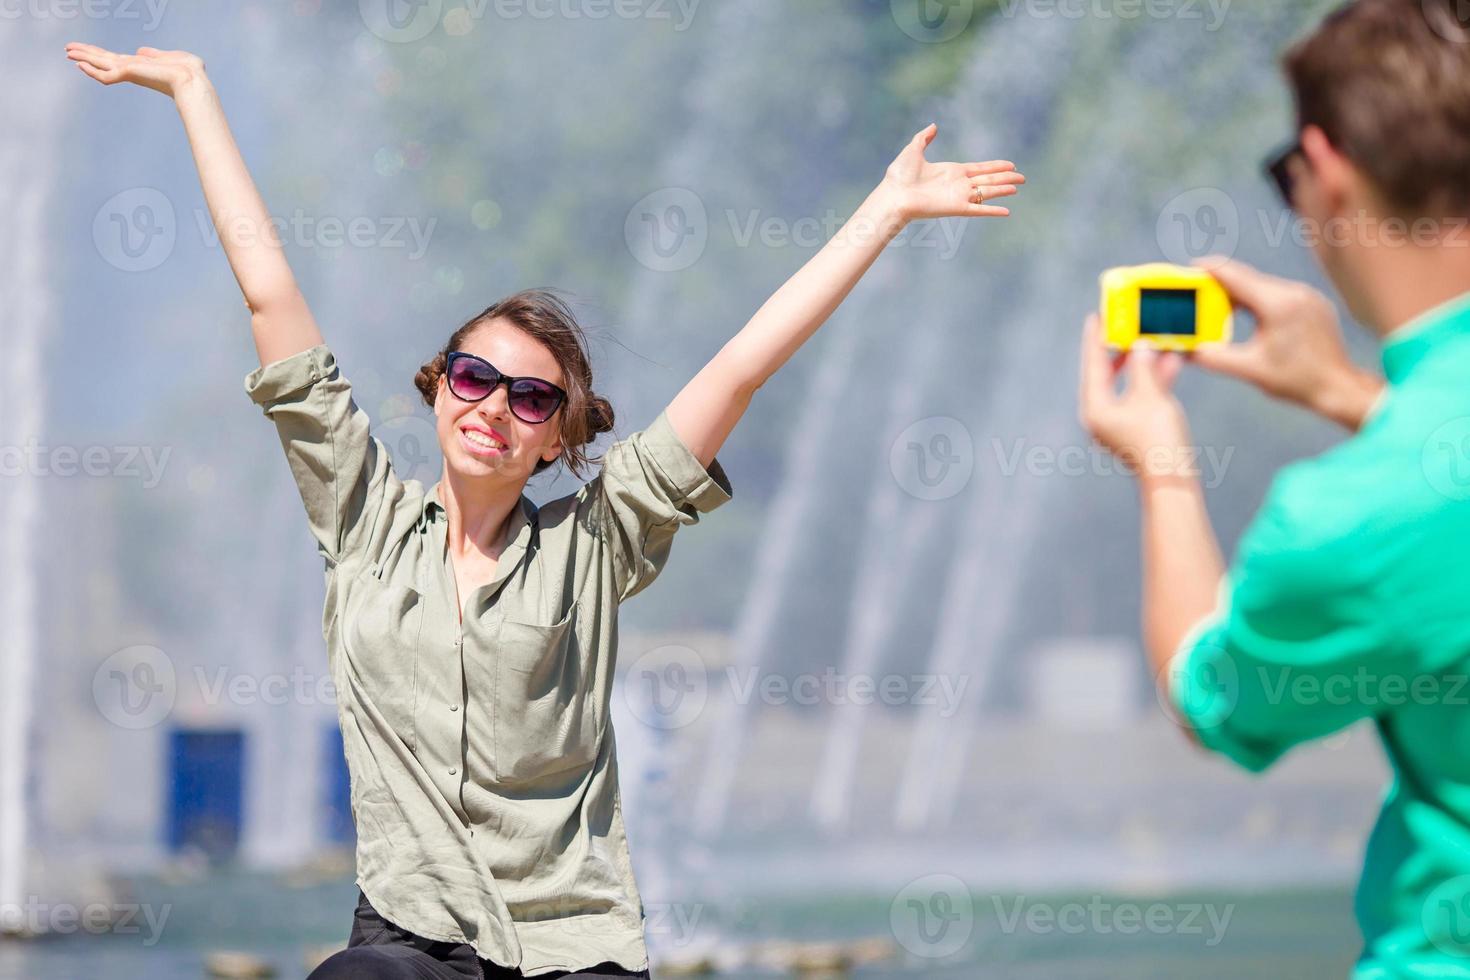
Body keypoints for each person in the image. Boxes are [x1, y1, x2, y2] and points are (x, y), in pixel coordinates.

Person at [64, 40, 1025, 978]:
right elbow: (268, 291)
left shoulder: (596, 543)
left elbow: (739, 368)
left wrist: (886, 211)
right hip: (410, 933)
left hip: (574, 945)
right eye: (476, 377)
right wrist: (192, 88)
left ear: (559, 437)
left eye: (532, 398)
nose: (496, 408)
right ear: (439, 387)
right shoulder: (363, 519)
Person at [1078, 0, 1470, 974]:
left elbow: (1210, 694)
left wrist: (1162, 463)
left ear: (1327, 170)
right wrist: (1349, 393)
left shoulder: (1353, 517)